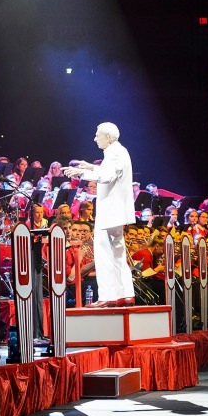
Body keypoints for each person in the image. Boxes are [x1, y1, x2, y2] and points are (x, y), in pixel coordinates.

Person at [65, 122, 136, 307]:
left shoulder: (115, 153)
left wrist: (82, 173)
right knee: (117, 253)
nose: (95, 138)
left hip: (110, 212)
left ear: (108, 137)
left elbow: (107, 176)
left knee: (104, 253)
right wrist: (90, 167)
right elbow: (107, 171)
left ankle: (107, 297)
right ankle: (125, 294)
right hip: (115, 211)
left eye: (98, 135)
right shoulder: (118, 152)